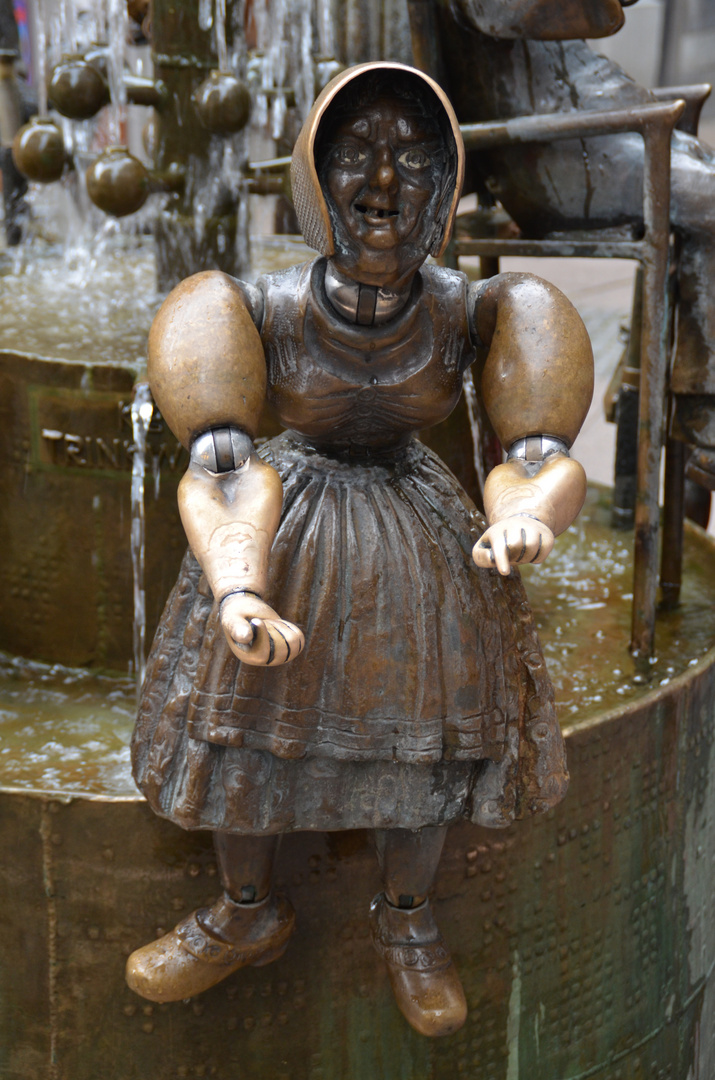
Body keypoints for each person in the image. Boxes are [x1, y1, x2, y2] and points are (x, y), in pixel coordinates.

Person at [126, 61, 593, 1038]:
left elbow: (539, 453)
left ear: (447, 187)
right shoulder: (247, 308)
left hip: (416, 525)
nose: (385, 183)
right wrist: (239, 581)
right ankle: (243, 911)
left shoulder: (480, 309)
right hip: (285, 520)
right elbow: (219, 462)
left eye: (416, 160)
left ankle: (409, 920)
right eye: (358, 156)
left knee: (433, 724)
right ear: (312, 176)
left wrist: (525, 517)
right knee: (242, 716)